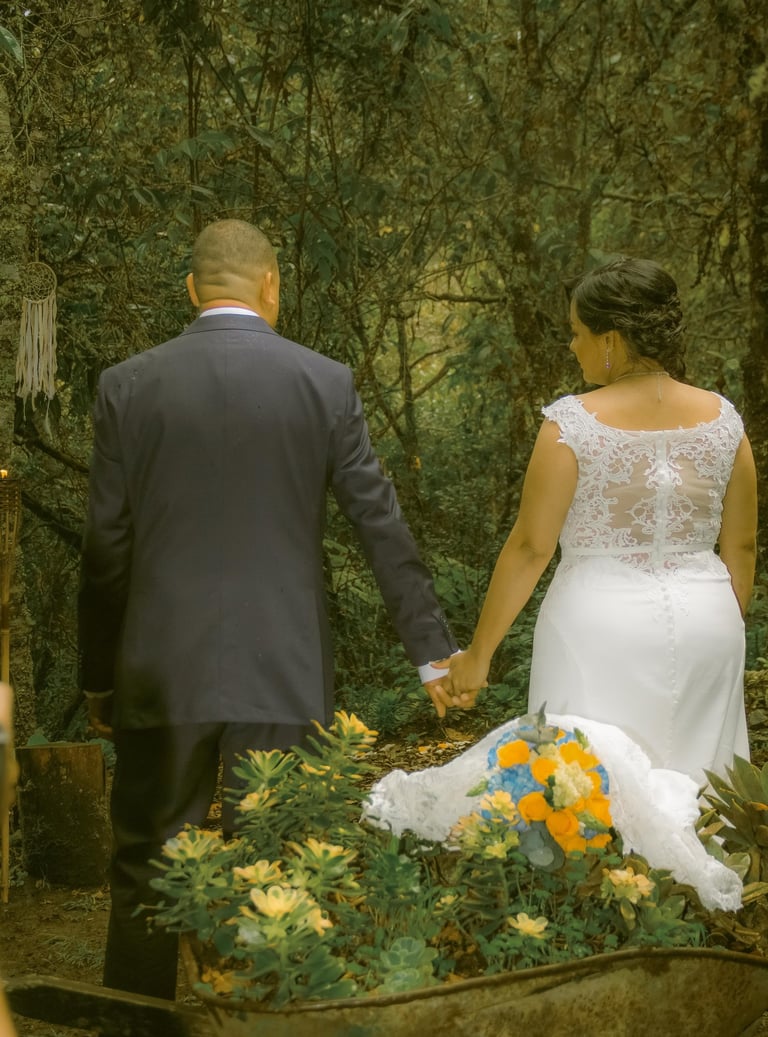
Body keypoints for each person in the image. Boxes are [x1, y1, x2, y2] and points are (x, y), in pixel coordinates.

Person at [78, 219, 465, 1001]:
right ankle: (269, 1017)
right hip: (284, 662)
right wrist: (432, 652)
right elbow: (379, 524)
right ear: (272, 286)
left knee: (148, 855)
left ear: (191, 290)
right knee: (280, 859)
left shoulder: (128, 385)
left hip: (161, 664)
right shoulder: (324, 382)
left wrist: (100, 676)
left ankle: (137, 1022)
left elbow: (106, 550)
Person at [443, 256, 757, 785]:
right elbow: (742, 548)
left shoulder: (571, 424)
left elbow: (530, 547)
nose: (573, 346)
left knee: (582, 789)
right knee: (703, 787)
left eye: (577, 333)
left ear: (611, 339)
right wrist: (727, 624)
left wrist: (479, 655)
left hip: (598, 626)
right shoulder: (725, 421)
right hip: (711, 621)